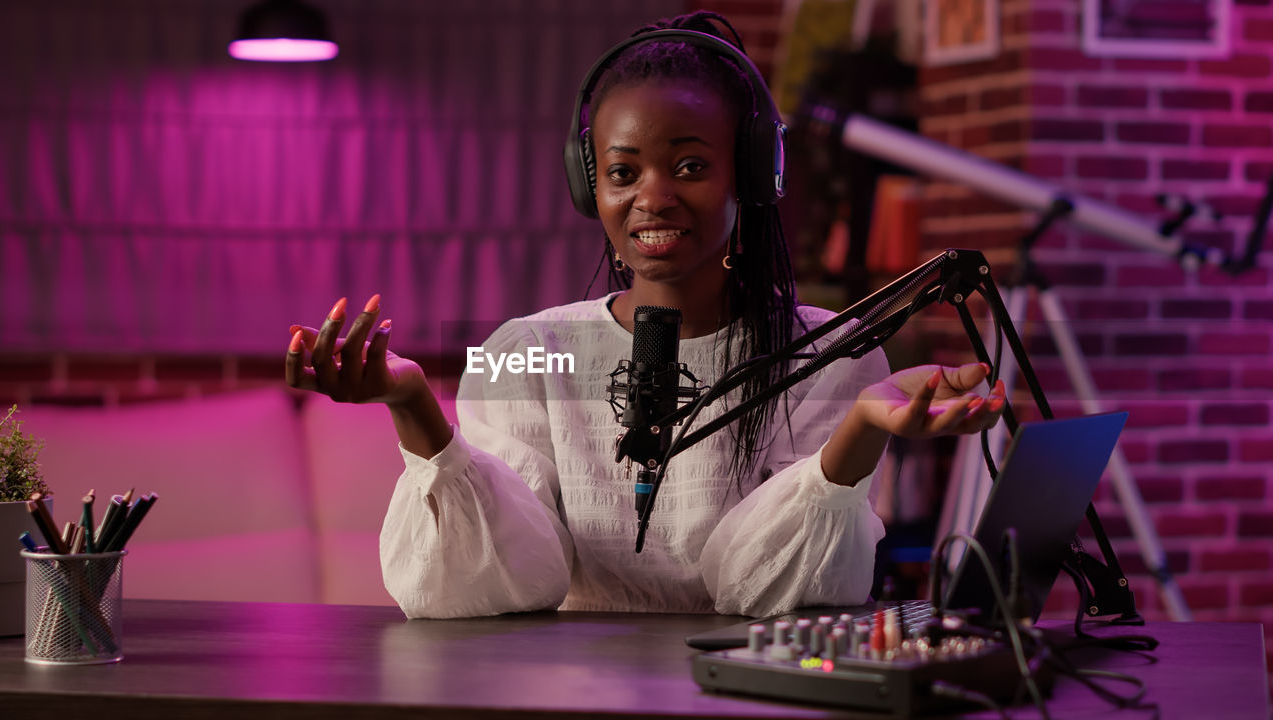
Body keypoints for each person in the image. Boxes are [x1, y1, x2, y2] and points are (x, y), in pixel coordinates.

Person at [284, 11, 1005, 619]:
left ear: (752, 176)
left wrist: (859, 430)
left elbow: (760, 590)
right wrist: (416, 412)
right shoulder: (528, 351)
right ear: (588, 186)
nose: (652, 197)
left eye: (690, 166)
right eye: (623, 172)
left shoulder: (835, 355)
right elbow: (495, 582)